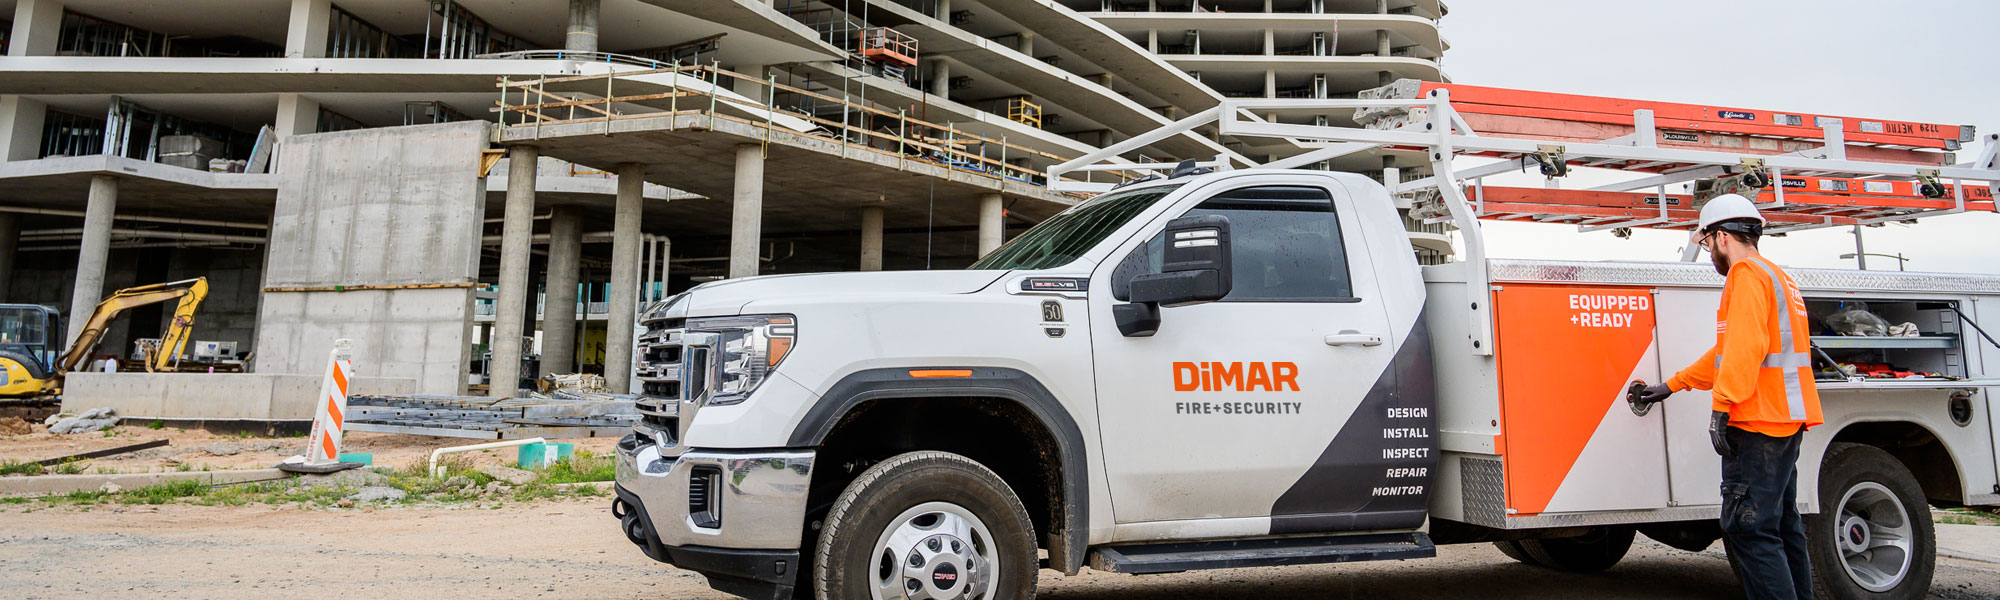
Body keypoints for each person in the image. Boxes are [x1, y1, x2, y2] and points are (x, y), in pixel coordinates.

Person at [1634, 194, 1825, 600]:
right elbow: (1728, 351)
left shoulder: (1745, 275)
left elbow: (1745, 349)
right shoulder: (1776, 276)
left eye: (1707, 244)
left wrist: (1721, 408)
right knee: (1782, 526)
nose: (1709, 254)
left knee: (1749, 528)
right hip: (1784, 421)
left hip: (1757, 423)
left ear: (1722, 237)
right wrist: (1674, 384)